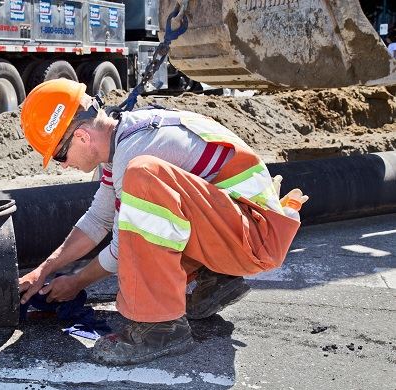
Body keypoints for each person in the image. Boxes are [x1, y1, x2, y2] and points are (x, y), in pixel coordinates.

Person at [18, 78, 305, 365]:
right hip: (238, 227)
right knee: (148, 194)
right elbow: (98, 219)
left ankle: (160, 328)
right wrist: (45, 270)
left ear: (81, 137)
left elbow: (122, 247)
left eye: (59, 155)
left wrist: (77, 281)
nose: (65, 165)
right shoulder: (124, 139)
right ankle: (214, 279)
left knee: (144, 180)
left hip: (254, 240)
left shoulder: (137, 151)